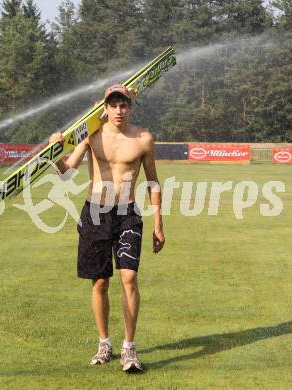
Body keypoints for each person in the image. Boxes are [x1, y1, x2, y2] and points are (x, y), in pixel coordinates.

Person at [49, 84, 165, 372]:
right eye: (113, 105)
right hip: (95, 213)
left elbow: (152, 181)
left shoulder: (143, 139)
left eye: (123, 104)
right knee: (100, 282)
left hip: (128, 214)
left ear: (130, 107)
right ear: (104, 108)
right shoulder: (91, 135)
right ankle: (104, 343)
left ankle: (129, 349)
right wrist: (55, 149)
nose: (118, 110)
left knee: (129, 278)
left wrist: (159, 224)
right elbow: (67, 170)